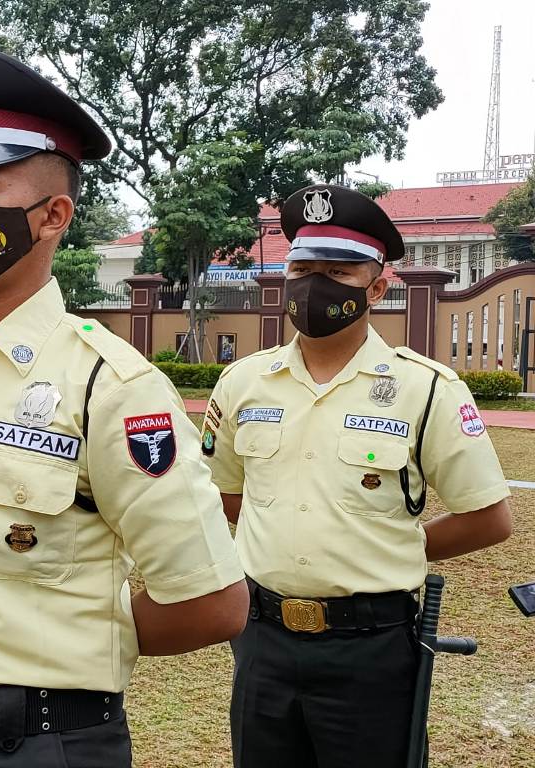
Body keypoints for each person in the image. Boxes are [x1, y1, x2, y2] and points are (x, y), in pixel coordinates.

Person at [0, 46, 249, 768]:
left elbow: (211, 603)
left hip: (39, 744)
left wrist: (72, 636)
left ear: (52, 216)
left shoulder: (113, 387)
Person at [202, 184, 513, 768]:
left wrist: (389, 544)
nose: (314, 285)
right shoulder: (242, 384)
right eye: (304, 267)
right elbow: (228, 497)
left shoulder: (428, 389)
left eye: (339, 271)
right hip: (262, 640)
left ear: (378, 286)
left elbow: (489, 518)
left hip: (372, 649)